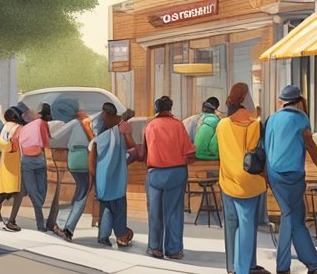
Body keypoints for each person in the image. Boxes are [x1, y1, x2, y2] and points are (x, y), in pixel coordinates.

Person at [263, 85, 317, 274]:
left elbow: (266, 147)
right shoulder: (301, 119)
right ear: (298, 100)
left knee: (296, 218)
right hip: (294, 175)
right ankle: (283, 266)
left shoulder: (272, 118)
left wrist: (266, 175)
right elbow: (310, 146)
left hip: (275, 174)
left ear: (281, 101)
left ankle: (314, 264)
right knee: (290, 216)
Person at [217, 83, 269, 274]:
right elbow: (258, 152)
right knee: (247, 225)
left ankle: (232, 266)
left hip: (227, 180)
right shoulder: (254, 123)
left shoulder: (221, 125)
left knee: (231, 224)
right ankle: (244, 269)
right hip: (250, 181)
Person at [142, 96, 195, 259]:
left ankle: (155, 247)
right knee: (174, 212)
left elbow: (145, 152)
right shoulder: (178, 125)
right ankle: (173, 250)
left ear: (156, 109)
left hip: (155, 173)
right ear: (170, 108)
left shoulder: (149, 126)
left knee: (154, 212)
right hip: (176, 173)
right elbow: (189, 152)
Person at [90, 103, 136, 248]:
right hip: (118, 182)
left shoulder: (97, 141)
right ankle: (122, 236)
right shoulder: (120, 134)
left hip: (103, 182)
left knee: (106, 210)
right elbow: (132, 146)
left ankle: (103, 237)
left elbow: (91, 163)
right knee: (120, 210)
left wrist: (94, 178)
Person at [52, 100, 96, 242]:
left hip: (72, 159)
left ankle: (61, 223)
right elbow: (94, 142)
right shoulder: (88, 123)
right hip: (84, 158)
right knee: (82, 194)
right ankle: (68, 229)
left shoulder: (74, 123)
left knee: (78, 192)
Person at [13, 104, 53, 231]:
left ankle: (39, 216)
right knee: (39, 192)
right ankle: (40, 224)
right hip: (35, 160)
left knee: (36, 192)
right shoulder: (40, 123)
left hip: (30, 160)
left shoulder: (23, 128)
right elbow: (46, 142)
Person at [0, 108, 26, 231]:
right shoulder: (19, 128)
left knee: (5, 189)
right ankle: (11, 221)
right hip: (16, 161)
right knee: (18, 192)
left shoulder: (5, 126)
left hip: (5, 160)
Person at [192, 97, 222, 161]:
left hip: (196, 153)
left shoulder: (201, 119)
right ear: (216, 109)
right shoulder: (217, 122)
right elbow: (213, 147)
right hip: (204, 155)